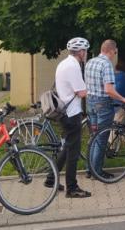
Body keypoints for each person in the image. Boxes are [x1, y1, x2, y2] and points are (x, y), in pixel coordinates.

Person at [47, 37, 91, 198]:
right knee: (74, 152)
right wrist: (89, 89)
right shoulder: (73, 66)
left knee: (67, 148)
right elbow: (81, 92)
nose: (85, 54)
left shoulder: (63, 64)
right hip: (72, 114)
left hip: (63, 112)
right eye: (85, 51)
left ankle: (51, 178)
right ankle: (72, 188)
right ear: (80, 52)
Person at [85, 40, 125, 180]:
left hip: (90, 103)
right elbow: (109, 90)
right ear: (111, 50)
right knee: (102, 138)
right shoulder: (106, 65)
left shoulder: (90, 62)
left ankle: (90, 169)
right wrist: (123, 99)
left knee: (94, 137)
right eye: (115, 51)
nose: (115, 55)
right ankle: (97, 171)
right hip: (103, 104)